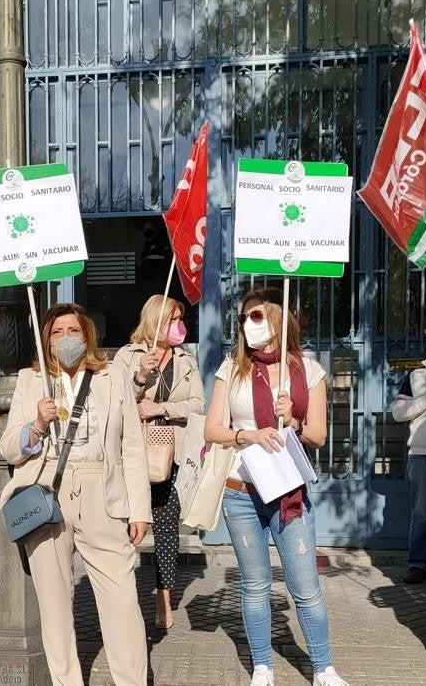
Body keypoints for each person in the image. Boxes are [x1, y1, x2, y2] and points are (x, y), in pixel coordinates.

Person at [203, 287, 350, 686]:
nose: (247, 324)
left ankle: (323, 669)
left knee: (305, 587)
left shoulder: (309, 370)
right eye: (243, 318)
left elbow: (318, 435)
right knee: (254, 585)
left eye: (255, 315)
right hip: (241, 493)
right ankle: (262, 666)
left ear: (275, 318)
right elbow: (212, 429)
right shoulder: (229, 369)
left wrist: (295, 419)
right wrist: (247, 436)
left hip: (288, 494)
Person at [0, 303, 151, 686]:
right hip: (48, 490)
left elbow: (131, 446)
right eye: (56, 332)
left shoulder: (112, 378)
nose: (65, 339)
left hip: (104, 490)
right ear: (45, 339)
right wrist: (35, 425)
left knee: (122, 601)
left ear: (87, 336)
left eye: (73, 331)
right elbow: (8, 449)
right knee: (54, 606)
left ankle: (131, 680)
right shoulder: (31, 379)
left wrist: (139, 509)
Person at [111, 295, 205, 629]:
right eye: (171, 319)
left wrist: (162, 408)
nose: (178, 326)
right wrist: (139, 378)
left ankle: (164, 597)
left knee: (167, 526)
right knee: (126, 526)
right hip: (133, 455)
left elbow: (198, 404)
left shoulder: (185, 360)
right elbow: (114, 401)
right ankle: (118, 600)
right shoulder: (128, 354)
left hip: (171, 454)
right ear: (154, 321)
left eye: (180, 318)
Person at [390, 358, 426, 585]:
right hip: (422, 454)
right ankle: (417, 564)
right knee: (421, 514)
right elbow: (398, 412)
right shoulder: (416, 376)